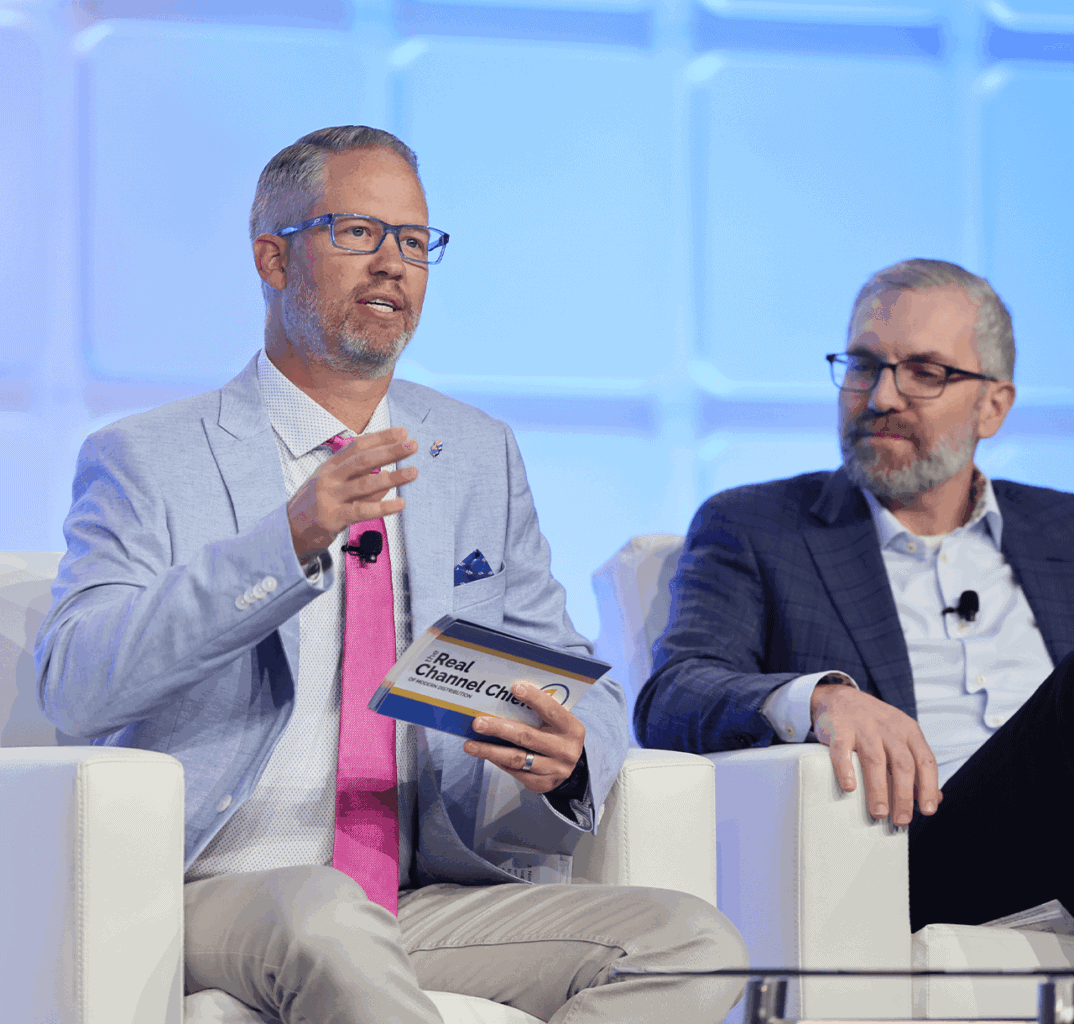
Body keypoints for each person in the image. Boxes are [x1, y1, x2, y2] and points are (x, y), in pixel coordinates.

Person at [35, 126, 747, 1024]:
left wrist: (571, 755)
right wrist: (288, 539)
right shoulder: (149, 456)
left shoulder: (476, 453)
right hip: (219, 887)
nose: (393, 263)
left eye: (414, 240)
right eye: (358, 232)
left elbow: (577, 675)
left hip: (420, 897)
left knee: (693, 942)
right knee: (326, 913)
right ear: (272, 257)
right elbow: (76, 683)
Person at [635, 258, 1074, 932]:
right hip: (921, 853)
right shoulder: (758, 526)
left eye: (924, 372)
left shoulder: (1062, 528)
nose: (881, 397)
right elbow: (673, 695)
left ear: (993, 406)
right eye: (864, 366)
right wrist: (819, 699)